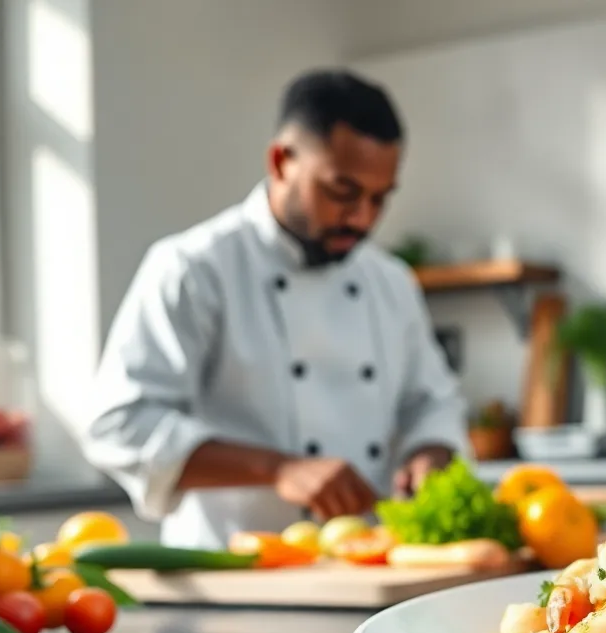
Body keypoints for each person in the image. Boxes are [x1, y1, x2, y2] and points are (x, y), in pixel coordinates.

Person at [81, 69, 467, 549]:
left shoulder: (390, 281)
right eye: (342, 192)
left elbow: (432, 401)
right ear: (282, 161)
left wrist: (430, 451)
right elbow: (119, 424)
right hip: (232, 571)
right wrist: (280, 468)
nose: (363, 217)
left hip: (365, 567)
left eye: (379, 198)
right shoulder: (194, 267)